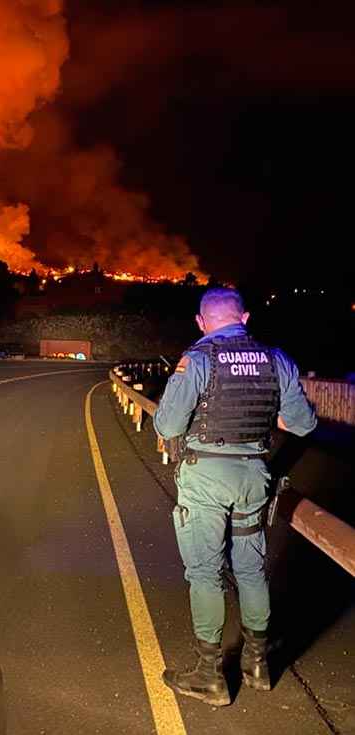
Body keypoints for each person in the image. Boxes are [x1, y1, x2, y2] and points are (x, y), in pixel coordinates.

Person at [154, 287, 316, 706]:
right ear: (244, 318)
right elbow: (302, 424)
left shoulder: (199, 358)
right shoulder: (276, 359)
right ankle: (258, 666)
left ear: (202, 322)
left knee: (205, 573)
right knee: (251, 569)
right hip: (254, 477)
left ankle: (210, 675)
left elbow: (168, 424)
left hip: (206, 478)